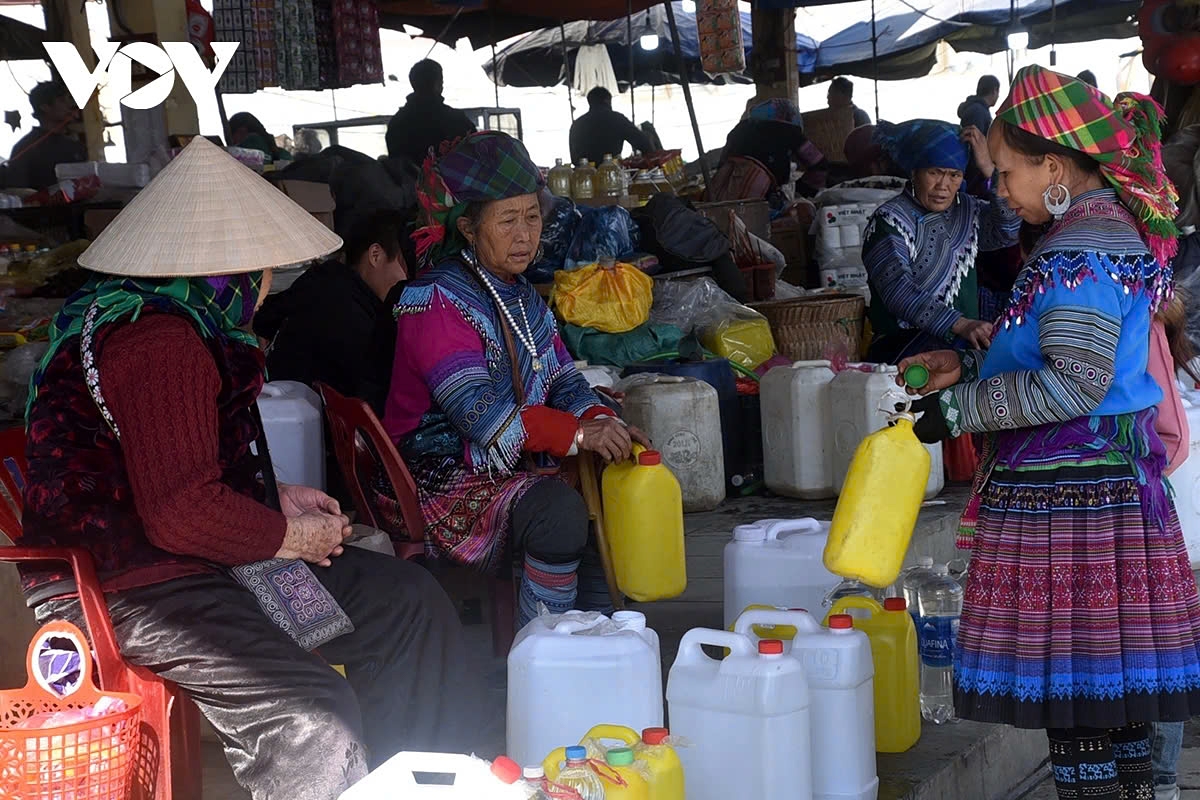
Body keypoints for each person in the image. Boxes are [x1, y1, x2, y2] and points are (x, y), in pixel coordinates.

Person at [18, 137, 481, 799]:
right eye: (261, 266)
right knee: (312, 715)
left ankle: (416, 785)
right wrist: (286, 536)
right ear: (229, 268)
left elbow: (170, 465)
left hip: (187, 554)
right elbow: (181, 509)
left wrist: (275, 497)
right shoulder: (160, 341)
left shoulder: (174, 316)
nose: (267, 283)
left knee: (409, 604)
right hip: (130, 583)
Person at [899, 66, 1200, 800]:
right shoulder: (1092, 232)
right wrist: (968, 357)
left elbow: (1074, 382)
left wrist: (961, 411)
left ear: (1054, 167)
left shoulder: (1082, 247)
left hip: (1075, 500)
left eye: (1005, 173)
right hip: (1096, 490)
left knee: (1083, 712)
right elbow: (1061, 349)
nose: (997, 190)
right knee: (1109, 705)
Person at [382, 131, 650, 627]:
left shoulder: (521, 295)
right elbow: (480, 415)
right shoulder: (434, 300)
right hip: (436, 478)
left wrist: (598, 417)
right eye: (507, 221)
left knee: (612, 481)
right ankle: (543, 651)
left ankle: (596, 639)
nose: (525, 235)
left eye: (532, 217)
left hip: (501, 464)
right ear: (468, 228)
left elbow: (564, 378)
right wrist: (575, 435)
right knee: (558, 513)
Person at [862, 119, 1020, 363]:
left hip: (962, 344)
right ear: (914, 171)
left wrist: (990, 169)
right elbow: (897, 290)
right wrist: (960, 324)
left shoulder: (967, 209)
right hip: (905, 348)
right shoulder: (889, 220)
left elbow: (1009, 230)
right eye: (934, 172)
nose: (943, 186)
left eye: (954, 175)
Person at [254, 210, 408, 414]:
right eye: (405, 266)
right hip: (306, 424)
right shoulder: (350, 311)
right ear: (375, 255)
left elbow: (263, 319)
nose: (409, 280)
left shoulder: (326, 278)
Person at [721, 98, 829, 199]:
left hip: (723, 197)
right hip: (765, 202)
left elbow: (722, 164)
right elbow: (819, 164)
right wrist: (803, 191)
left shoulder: (739, 129)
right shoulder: (789, 129)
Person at [386, 59, 476, 166]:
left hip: (411, 182)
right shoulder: (456, 120)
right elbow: (476, 152)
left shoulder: (396, 123)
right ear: (438, 84)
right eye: (441, 80)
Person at [1, 81, 85, 190]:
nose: (69, 106)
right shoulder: (25, 148)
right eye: (62, 101)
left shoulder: (76, 146)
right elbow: (18, 193)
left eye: (69, 100)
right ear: (45, 107)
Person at [569, 87, 654, 167]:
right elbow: (643, 143)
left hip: (582, 175)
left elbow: (573, 159)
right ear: (607, 100)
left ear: (589, 102)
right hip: (610, 171)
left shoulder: (577, 124)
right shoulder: (617, 119)